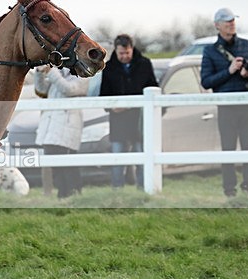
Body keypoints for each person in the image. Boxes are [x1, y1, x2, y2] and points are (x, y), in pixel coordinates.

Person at [201, 8, 248, 196]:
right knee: (227, 147)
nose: (231, 23)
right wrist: (228, 71)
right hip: (227, 106)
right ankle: (229, 189)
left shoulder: (247, 45)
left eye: (233, 20)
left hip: (247, 105)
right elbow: (206, 81)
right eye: (227, 21)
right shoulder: (210, 51)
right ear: (217, 25)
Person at [99, 34, 158, 189]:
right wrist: (112, 106)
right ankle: (117, 190)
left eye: (127, 53)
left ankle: (144, 188)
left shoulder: (144, 64)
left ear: (132, 49)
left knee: (142, 155)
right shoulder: (109, 67)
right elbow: (104, 95)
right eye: (121, 54)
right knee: (117, 158)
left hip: (139, 119)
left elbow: (153, 88)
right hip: (118, 120)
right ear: (116, 51)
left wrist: (134, 104)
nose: (124, 56)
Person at [34, 65, 90, 198]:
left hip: (68, 126)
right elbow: (41, 90)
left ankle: (74, 194)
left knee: (68, 166)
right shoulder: (58, 72)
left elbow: (69, 89)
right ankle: (62, 195)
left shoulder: (82, 72)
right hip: (51, 127)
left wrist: (51, 72)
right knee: (54, 165)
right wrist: (39, 73)